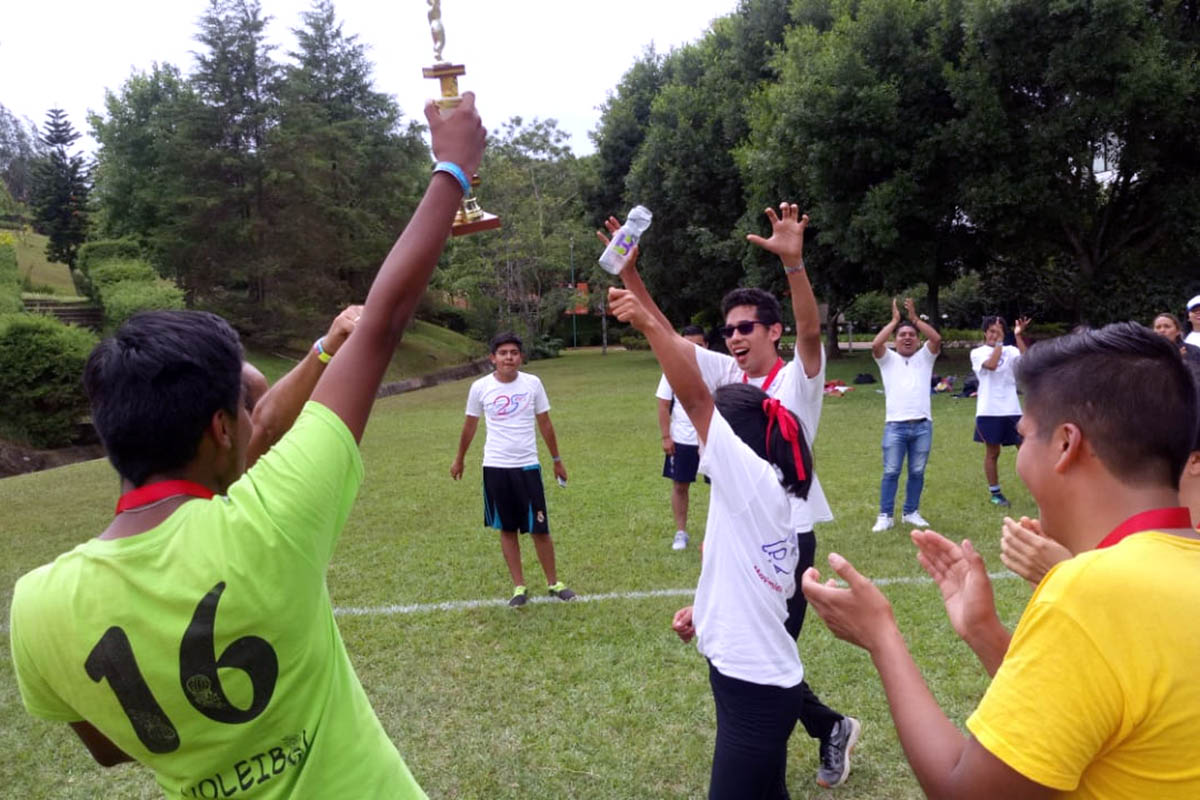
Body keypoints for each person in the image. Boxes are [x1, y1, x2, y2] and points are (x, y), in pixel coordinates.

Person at [8, 94, 486, 798]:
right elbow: (382, 324)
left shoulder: (37, 606)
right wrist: (453, 167)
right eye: (245, 403)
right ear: (221, 429)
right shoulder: (270, 525)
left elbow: (109, 749)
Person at [802, 322, 1200, 799]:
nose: (1020, 454)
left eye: (1025, 435)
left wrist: (881, 637)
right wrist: (984, 631)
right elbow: (1099, 715)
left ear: (1066, 444)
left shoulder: (1089, 593)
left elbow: (966, 791)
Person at [603, 203, 859, 790]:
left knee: (764, 654)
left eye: (748, 327)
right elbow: (674, 345)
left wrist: (793, 264)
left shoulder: (797, 379)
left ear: (773, 331)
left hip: (785, 528)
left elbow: (812, 332)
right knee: (758, 650)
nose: (736, 337)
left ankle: (825, 729)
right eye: (730, 330)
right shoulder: (730, 375)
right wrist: (632, 275)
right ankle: (815, 731)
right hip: (738, 528)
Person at [609, 280, 815, 800]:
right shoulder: (761, 494)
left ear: (736, 442)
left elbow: (695, 398)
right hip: (757, 680)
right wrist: (703, 608)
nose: (705, 433)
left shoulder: (749, 484)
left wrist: (647, 324)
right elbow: (744, 575)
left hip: (755, 691)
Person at [450, 331, 575, 608]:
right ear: (492, 358)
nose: (509, 357)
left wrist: (556, 459)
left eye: (514, 353)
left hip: (528, 466)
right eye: (503, 353)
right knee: (506, 528)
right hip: (495, 466)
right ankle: (519, 586)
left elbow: (545, 423)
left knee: (539, 528)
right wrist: (459, 458)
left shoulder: (533, 384)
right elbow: (470, 425)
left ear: (521, 357)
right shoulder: (480, 388)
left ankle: (554, 582)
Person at [869, 297, 941, 532]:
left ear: (917, 340)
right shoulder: (888, 360)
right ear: (895, 340)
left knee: (917, 472)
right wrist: (894, 321)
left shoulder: (925, 357)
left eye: (911, 335)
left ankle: (911, 512)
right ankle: (885, 515)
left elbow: (936, 338)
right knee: (891, 471)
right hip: (895, 426)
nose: (907, 338)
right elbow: (876, 345)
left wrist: (915, 320)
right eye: (902, 335)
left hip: (922, 425)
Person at [656, 324, 710, 550]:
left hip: (711, 440)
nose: (693, 349)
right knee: (680, 485)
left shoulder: (716, 367)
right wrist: (666, 436)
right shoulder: (672, 369)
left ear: (705, 345)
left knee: (720, 488)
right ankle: (681, 532)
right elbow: (663, 403)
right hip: (682, 439)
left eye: (698, 345)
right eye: (688, 345)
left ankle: (718, 533)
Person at [970, 314, 1030, 507]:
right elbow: (992, 365)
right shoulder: (977, 352)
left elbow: (1028, 362)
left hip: (1012, 408)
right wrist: (998, 345)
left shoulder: (1011, 350)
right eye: (991, 331)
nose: (993, 335)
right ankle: (995, 492)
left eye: (998, 331)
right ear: (985, 332)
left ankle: (1039, 487)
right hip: (989, 410)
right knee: (993, 452)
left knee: (1026, 448)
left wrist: (1018, 335)